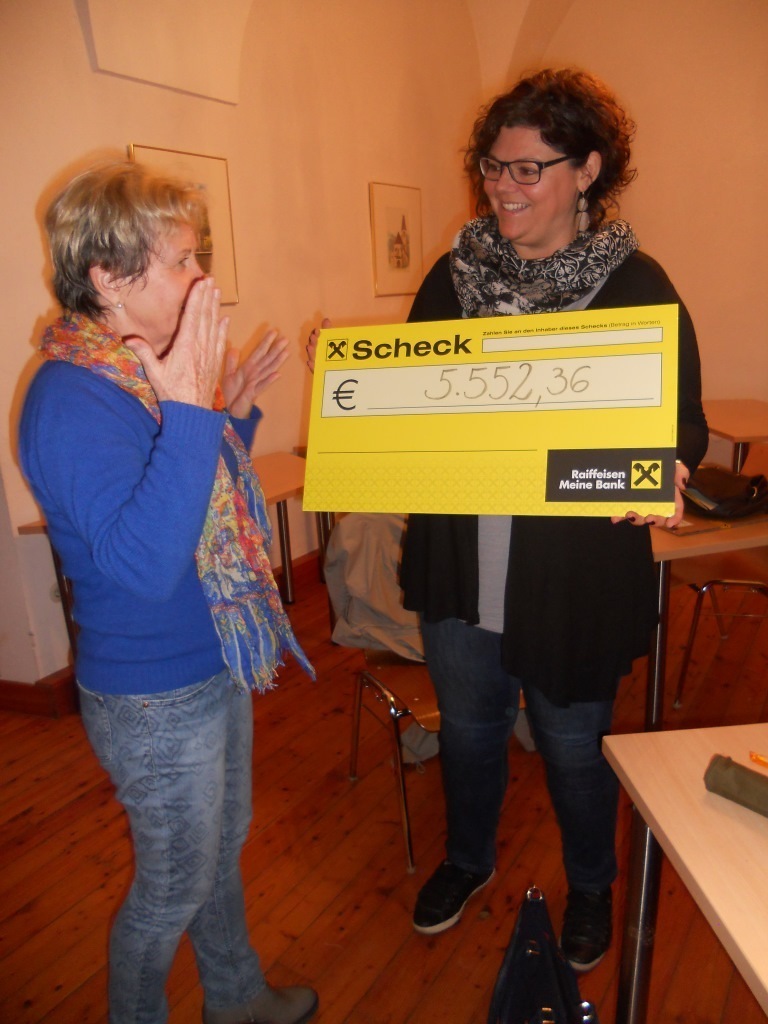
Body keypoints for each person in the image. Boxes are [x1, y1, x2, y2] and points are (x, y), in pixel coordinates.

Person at [310, 68, 708, 972]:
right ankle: (468, 858)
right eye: (493, 167)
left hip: (571, 576)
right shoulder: (453, 277)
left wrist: (669, 469)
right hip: (463, 559)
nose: (503, 186)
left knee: (572, 746)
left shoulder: (635, 287)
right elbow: (409, 406)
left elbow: (678, 423)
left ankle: (592, 883)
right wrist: (351, 385)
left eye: (528, 169)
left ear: (587, 170)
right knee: (469, 729)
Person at [19, 162, 319, 1024]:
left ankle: (236, 996)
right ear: (109, 278)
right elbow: (146, 565)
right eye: (182, 261)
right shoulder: (71, 398)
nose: (202, 279)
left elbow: (195, 494)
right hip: (152, 693)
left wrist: (231, 410)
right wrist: (192, 412)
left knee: (219, 851)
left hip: (211, 656)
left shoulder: (133, 372)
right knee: (171, 888)